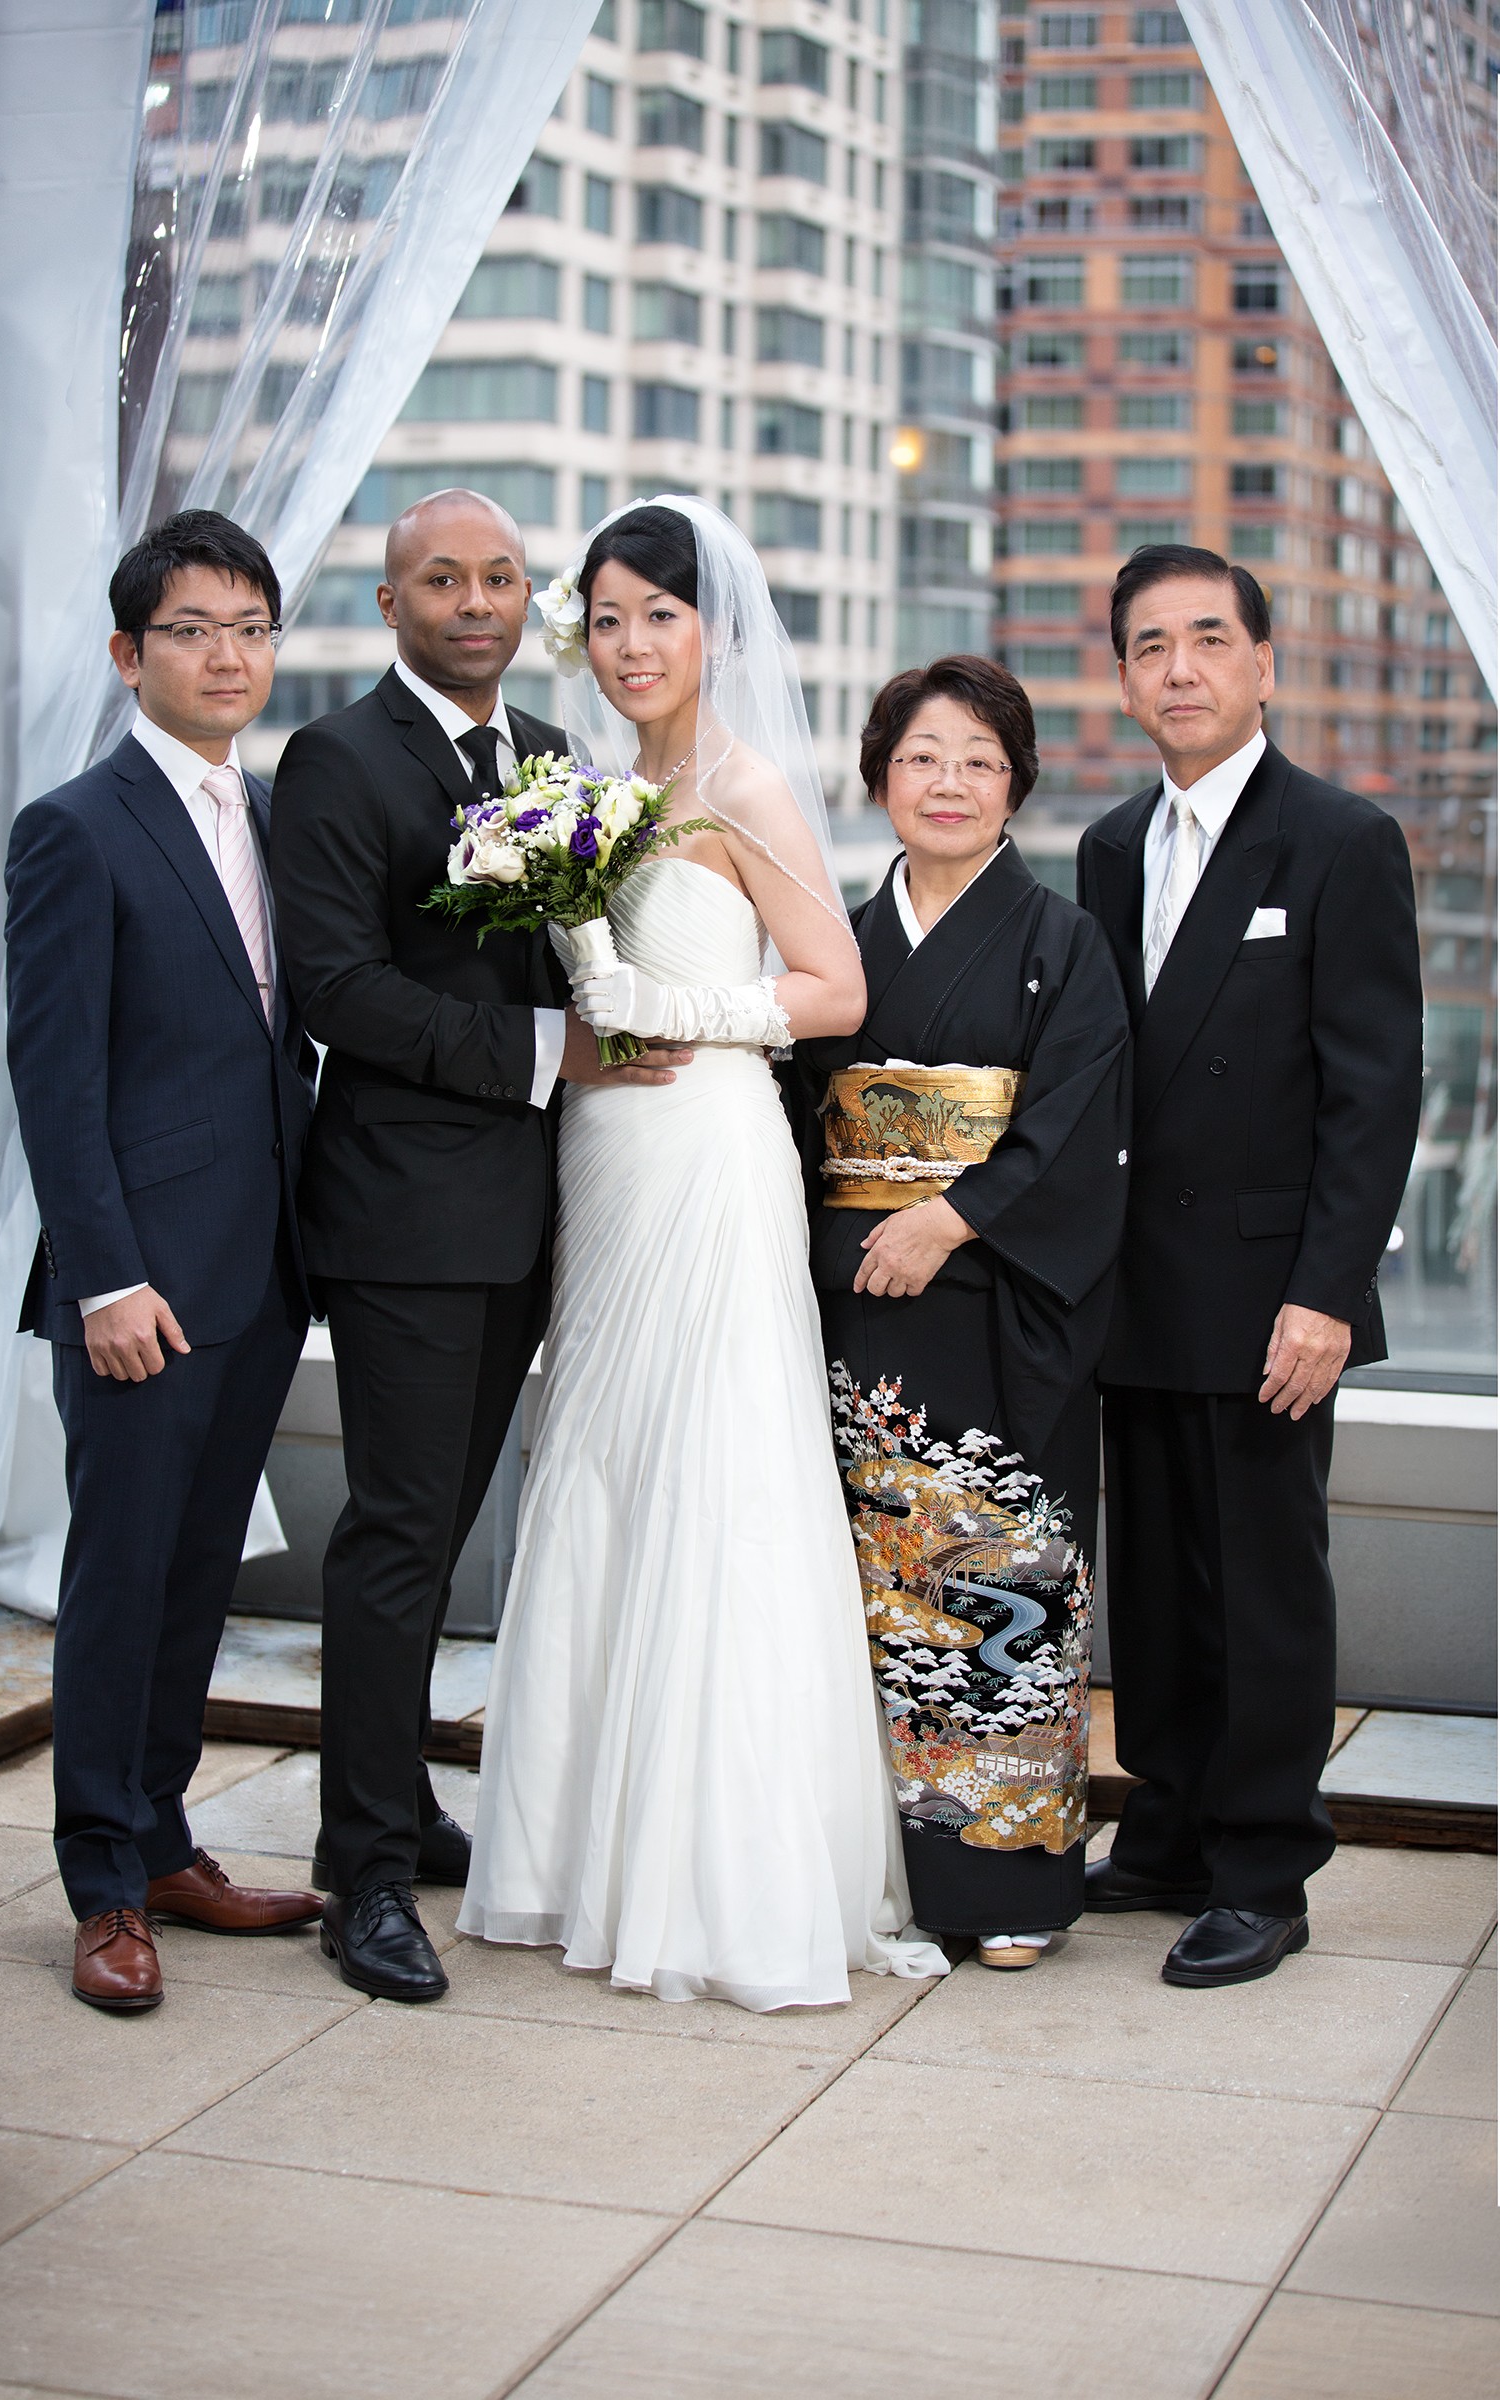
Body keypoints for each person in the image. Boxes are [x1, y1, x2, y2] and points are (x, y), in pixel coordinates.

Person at [457, 497, 948, 2010]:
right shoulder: (579, 793)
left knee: (713, 1469)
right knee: (602, 1456)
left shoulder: (744, 789)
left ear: (713, 629)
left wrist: (674, 1013)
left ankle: (727, 1874)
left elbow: (837, 988)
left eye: (656, 617)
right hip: (600, 1163)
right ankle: (572, 1854)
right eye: (603, 619)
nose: (628, 645)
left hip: (715, 1152)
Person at [267, 489, 688, 2005]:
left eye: (501, 577)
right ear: (390, 605)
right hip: (403, 1222)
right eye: (441, 578)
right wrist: (543, 1052)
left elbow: (576, 954)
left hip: (531, 1219)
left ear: (531, 604)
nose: (475, 600)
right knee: (394, 1540)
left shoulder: (547, 760)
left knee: (442, 1537)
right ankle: (361, 1872)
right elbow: (337, 988)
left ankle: (398, 1803)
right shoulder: (335, 760)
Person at [1077, 544, 1422, 1989]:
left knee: (1265, 1580)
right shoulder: (1105, 848)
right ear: (1124, 679)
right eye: (1151, 646)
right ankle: (1163, 1827)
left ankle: (1265, 1866)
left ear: (1263, 664)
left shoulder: (1338, 839)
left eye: (1208, 640)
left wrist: (1327, 1294)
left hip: (1275, 1289)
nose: (1180, 670)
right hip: (1134, 1285)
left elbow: (1377, 1087)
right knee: (1153, 1578)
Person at [3, 510, 323, 2013]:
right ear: (133, 656)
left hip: (258, 1274)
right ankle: (103, 1887)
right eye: (193, 629)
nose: (227, 654)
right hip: (140, 1289)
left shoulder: (268, 818)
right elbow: (53, 1081)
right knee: (120, 1578)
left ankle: (168, 1834)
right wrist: (102, 1277)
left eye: (251, 627)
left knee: (199, 1576)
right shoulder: (74, 829)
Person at [796, 657, 1131, 1969]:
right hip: (855, 1308)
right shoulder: (833, 943)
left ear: (1016, 789)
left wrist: (952, 1217)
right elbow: (789, 1116)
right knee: (861, 1589)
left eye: (980, 761)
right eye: (925, 755)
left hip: (998, 1306)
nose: (950, 782)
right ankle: (875, 1858)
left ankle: (1009, 1879)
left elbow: (1081, 1119)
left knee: (1000, 1583)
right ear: (881, 774)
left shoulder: (1064, 945)